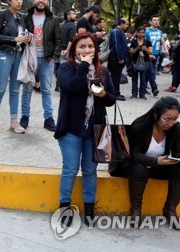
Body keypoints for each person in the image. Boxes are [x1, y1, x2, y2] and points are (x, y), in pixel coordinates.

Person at [54, 32, 116, 226]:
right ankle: (64, 207)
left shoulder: (103, 72)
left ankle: (89, 208)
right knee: (71, 169)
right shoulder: (66, 68)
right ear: (74, 50)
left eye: (90, 46)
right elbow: (72, 86)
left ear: (95, 49)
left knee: (90, 171)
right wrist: (84, 66)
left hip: (94, 130)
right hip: (71, 129)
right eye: (81, 47)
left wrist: (103, 93)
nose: (86, 50)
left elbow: (112, 100)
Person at [111, 97, 180, 230]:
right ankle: (136, 209)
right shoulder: (140, 126)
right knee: (140, 169)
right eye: (167, 119)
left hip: (158, 166)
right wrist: (155, 161)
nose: (171, 123)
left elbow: (177, 153)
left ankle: (170, 210)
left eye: (175, 119)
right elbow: (134, 155)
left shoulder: (177, 129)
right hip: (135, 166)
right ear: (156, 115)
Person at [0, 0, 31, 134]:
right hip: (4, 55)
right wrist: (14, 39)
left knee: (14, 90)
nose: (19, 2)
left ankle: (14, 121)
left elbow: (23, 34)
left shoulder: (21, 17)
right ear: (9, 1)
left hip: (18, 55)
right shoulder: (2, 15)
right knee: (0, 89)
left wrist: (27, 38)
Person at [20, 0, 62, 131]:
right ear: (34, 0)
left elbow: (58, 39)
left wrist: (54, 57)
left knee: (46, 90)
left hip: (46, 59)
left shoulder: (53, 19)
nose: (41, 1)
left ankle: (48, 119)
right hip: (29, 58)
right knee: (27, 88)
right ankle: (24, 117)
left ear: (47, 1)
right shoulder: (26, 17)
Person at [145, 16, 167, 96]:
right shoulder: (147, 31)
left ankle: (144, 88)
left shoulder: (160, 32)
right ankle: (154, 88)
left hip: (157, 53)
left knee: (152, 70)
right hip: (149, 53)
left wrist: (166, 49)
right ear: (151, 22)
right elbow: (144, 42)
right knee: (151, 71)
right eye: (154, 20)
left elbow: (163, 41)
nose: (156, 21)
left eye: (158, 20)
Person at [108, 18, 129, 101]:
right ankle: (115, 93)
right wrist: (120, 57)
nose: (127, 26)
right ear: (121, 23)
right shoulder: (116, 32)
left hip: (119, 58)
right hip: (115, 59)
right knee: (115, 77)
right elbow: (117, 46)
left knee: (117, 76)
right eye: (126, 24)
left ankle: (116, 92)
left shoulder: (120, 32)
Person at [165, 21, 180, 93]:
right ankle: (174, 85)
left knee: (176, 71)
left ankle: (174, 85)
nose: (179, 29)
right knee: (179, 71)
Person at [129, 26, 152, 99]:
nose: (141, 34)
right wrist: (137, 48)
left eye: (143, 32)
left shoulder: (147, 42)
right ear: (137, 33)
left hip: (145, 61)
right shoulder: (133, 42)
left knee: (143, 78)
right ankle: (134, 93)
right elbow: (131, 52)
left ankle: (142, 94)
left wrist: (145, 49)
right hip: (135, 61)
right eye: (139, 32)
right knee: (134, 78)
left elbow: (151, 52)